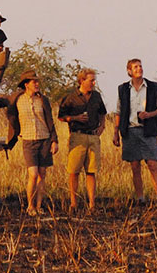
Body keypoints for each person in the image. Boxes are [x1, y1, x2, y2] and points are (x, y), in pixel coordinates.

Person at [0, 70, 57, 215]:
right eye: (34, 82)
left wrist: (54, 140)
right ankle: (30, 206)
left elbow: (50, 120)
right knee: (33, 173)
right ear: (26, 84)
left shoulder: (43, 100)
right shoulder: (17, 99)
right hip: (28, 139)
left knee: (42, 174)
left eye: (37, 81)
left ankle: (39, 206)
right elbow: (3, 101)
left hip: (44, 138)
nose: (37, 84)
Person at [112, 57, 157, 202]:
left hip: (148, 130)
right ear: (129, 71)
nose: (139, 69)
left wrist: (149, 114)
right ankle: (140, 199)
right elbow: (118, 111)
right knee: (135, 165)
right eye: (135, 67)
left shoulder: (154, 87)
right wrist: (115, 132)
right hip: (130, 130)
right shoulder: (123, 89)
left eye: (140, 66)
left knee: (152, 163)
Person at [57, 68, 107, 210]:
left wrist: (102, 127)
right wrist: (75, 118)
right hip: (77, 136)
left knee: (91, 171)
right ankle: (73, 202)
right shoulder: (71, 97)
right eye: (91, 80)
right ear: (82, 81)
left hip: (93, 136)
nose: (94, 82)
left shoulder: (97, 96)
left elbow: (103, 113)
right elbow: (60, 116)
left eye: (94, 80)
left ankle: (92, 203)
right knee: (74, 171)